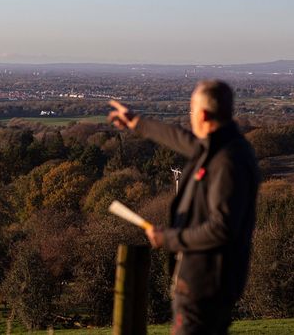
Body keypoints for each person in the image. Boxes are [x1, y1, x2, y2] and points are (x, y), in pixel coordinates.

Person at [108, 80, 259, 335]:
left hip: (205, 286)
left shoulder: (227, 161)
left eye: (191, 110)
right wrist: (137, 124)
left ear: (201, 114)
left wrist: (168, 238)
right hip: (206, 284)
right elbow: (181, 139)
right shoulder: (219, 147)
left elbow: (222, 229)